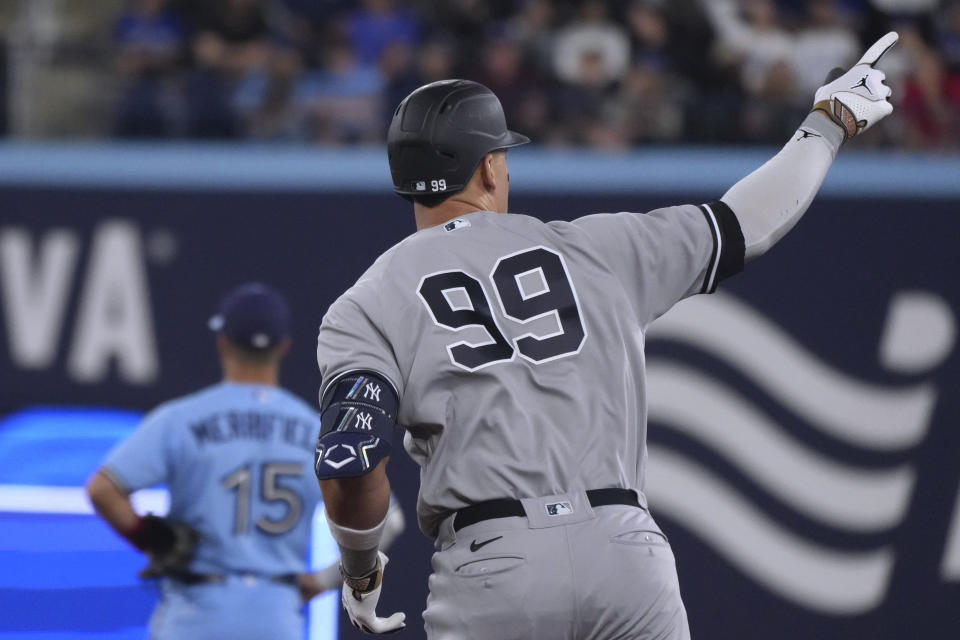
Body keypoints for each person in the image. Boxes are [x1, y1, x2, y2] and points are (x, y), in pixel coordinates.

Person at [313, 32, 899, 639]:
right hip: (624, 554)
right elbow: (747, 222)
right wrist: (829, 123)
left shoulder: (365, 304)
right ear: (489, 166)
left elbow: (351, 463)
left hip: (492, 563)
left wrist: (359, 570)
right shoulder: (594, 248)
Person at [85, 282, 404, 639]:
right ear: (284, 347)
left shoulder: (182, 418)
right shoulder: (313, 429)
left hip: (195, 612)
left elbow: (103, 489)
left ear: (222, 342)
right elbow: (388, 520)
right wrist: (323, 581)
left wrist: (150, 537)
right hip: (275, 613)